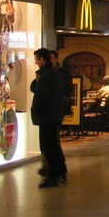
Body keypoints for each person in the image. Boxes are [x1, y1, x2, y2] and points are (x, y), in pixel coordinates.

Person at [30, 47, 68, 188]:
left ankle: (52, 175)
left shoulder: (46, 76)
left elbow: (41, 96)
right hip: (54, 115)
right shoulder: (54, 74)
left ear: (42, 59)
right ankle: (59, 171)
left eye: (36, 60)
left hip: (47, 116)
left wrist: (35, 110)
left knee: (47, 146)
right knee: (53, 145)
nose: (36, 63)